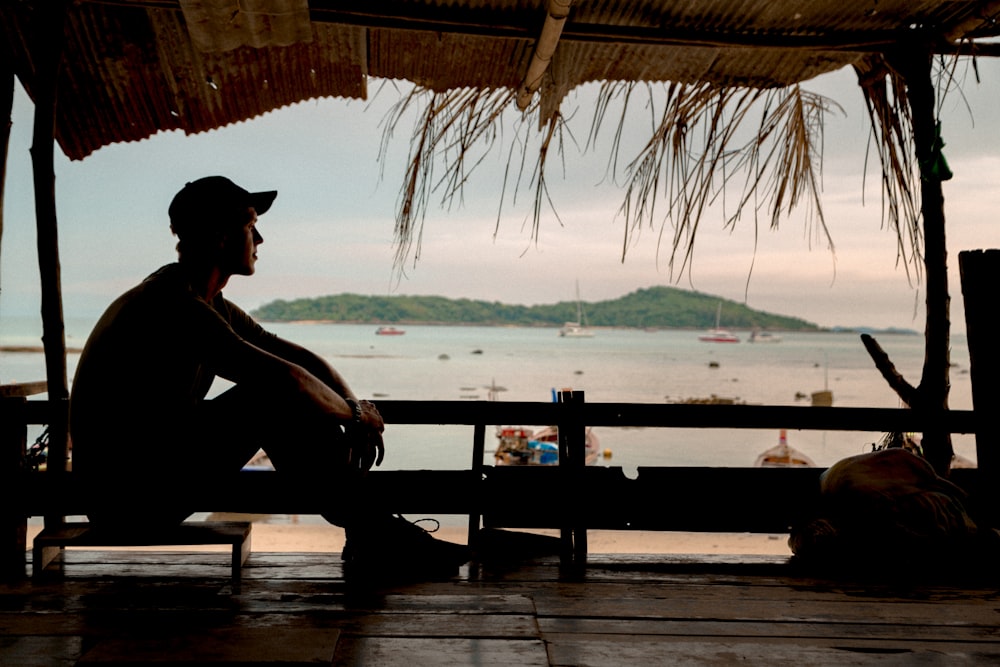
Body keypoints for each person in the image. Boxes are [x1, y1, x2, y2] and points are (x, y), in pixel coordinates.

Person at [68, 175, 469, 580]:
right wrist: (353, 416)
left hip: (152, 480)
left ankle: (371, 531)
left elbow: (297, 357)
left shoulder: (208, 303)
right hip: (126, 501)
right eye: (249, 226)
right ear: (221, 236)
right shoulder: (172, 306)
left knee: (275, 393)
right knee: (267, 396)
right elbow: (286, 379)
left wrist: (354, 405)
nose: (260, 239)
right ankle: (376, 532)